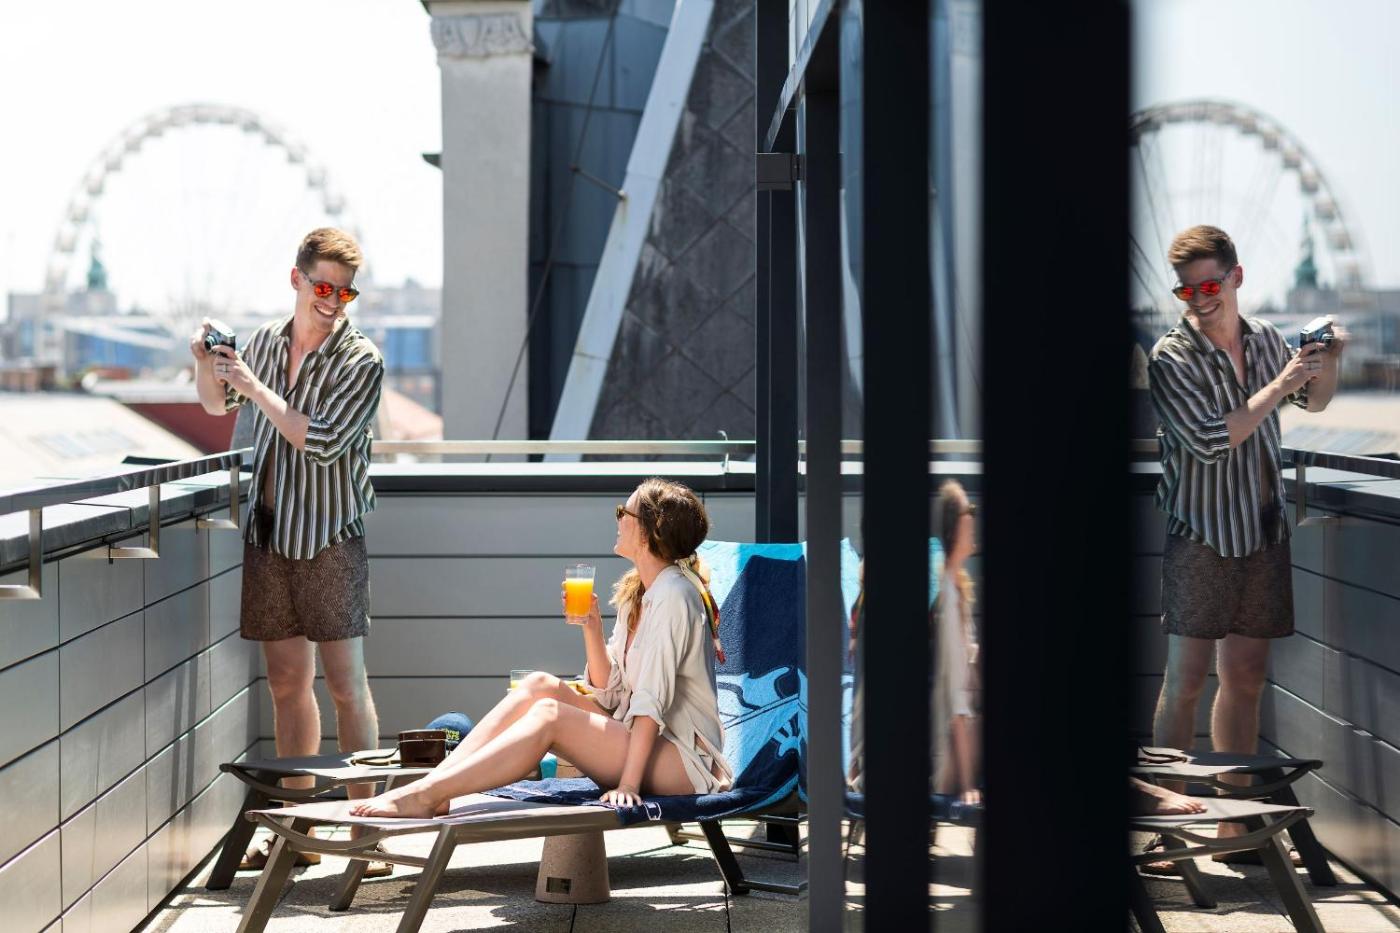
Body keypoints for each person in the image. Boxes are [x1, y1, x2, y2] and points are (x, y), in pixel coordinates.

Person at [351, 478, 734, 818]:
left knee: (551, 715)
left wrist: (629, 785)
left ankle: (425, 795)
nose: (618, 519)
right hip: (638, 740)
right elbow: (612, 693)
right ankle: (436, 789)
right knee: (539, 685)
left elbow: (651, 704)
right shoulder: (639, 592)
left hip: (683, 762)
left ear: (649, 532)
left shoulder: (673, 595)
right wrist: (592, 628)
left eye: (624, 512)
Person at [190, 227, 385, 868]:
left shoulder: (361, 360)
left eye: (345, 292)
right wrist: (206, 362)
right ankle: (297, 835)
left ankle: (366, 836)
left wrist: (252, 386)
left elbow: (320, 441)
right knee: (286, 683)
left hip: (329, 538)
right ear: (296, 278)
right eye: (323, 287)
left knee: (346, 686)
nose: (333, 302)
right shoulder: (268, 343)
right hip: (270, 534)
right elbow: (216, 405)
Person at [1146, 225, 1343, 857]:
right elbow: (1211, 440)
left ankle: (1232, 831)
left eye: (1209, 286)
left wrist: (1326, 360)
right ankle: (1166, 831)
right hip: (1201, 534)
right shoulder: (1171, 357)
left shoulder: (1265, 340)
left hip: (1261, 530)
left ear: (1236, 276)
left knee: (1247, 676)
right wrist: (1282, 385)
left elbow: (1314, 403)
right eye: (1186, 291)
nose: (1199, 300)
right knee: (1185, 681)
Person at [931, 480, 980, 807]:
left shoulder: (958, 587)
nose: (973, 516)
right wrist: (966, 784)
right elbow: (955, 702)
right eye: (967, 511)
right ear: (954, 527)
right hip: (948, 754)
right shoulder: (946, 598)